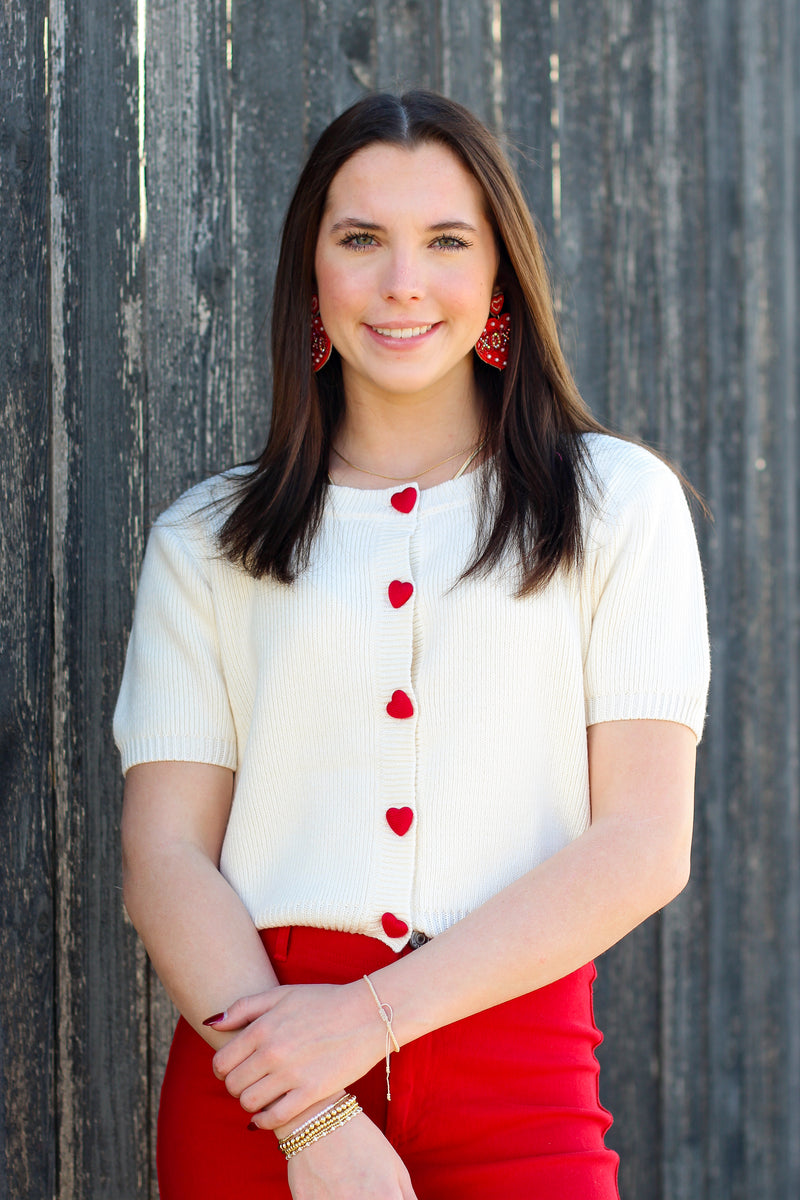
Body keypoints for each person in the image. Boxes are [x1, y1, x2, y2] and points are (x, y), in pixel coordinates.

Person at [114, 90, 710, 1199]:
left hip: (514, 1068)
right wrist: (310, 1118)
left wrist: (370, 1020)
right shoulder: (204, 541)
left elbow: (641, 842)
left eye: (445, 241)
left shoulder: (616, 505)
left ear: (497, 278)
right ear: (312, 275)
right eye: (360, 241)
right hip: (256, 1072)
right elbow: (164, 860)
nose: (401, 283)